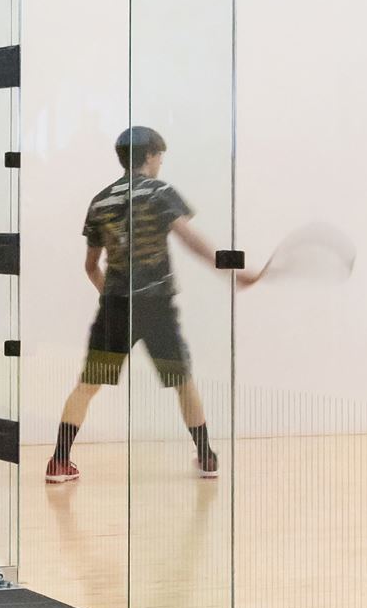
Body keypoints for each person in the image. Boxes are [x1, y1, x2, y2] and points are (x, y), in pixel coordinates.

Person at [45, 126, 254, 485]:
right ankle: (206, 457)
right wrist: (234, 272)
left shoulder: (100, 201)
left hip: (115, 308)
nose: (160, 163)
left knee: (87, 385)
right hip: (156, 308)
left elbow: (91, 267)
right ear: (150, 156)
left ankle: (59, 462)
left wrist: (112, 298)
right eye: (160, 156)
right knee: (182, 382)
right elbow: (191, 240)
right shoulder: (159, 193)